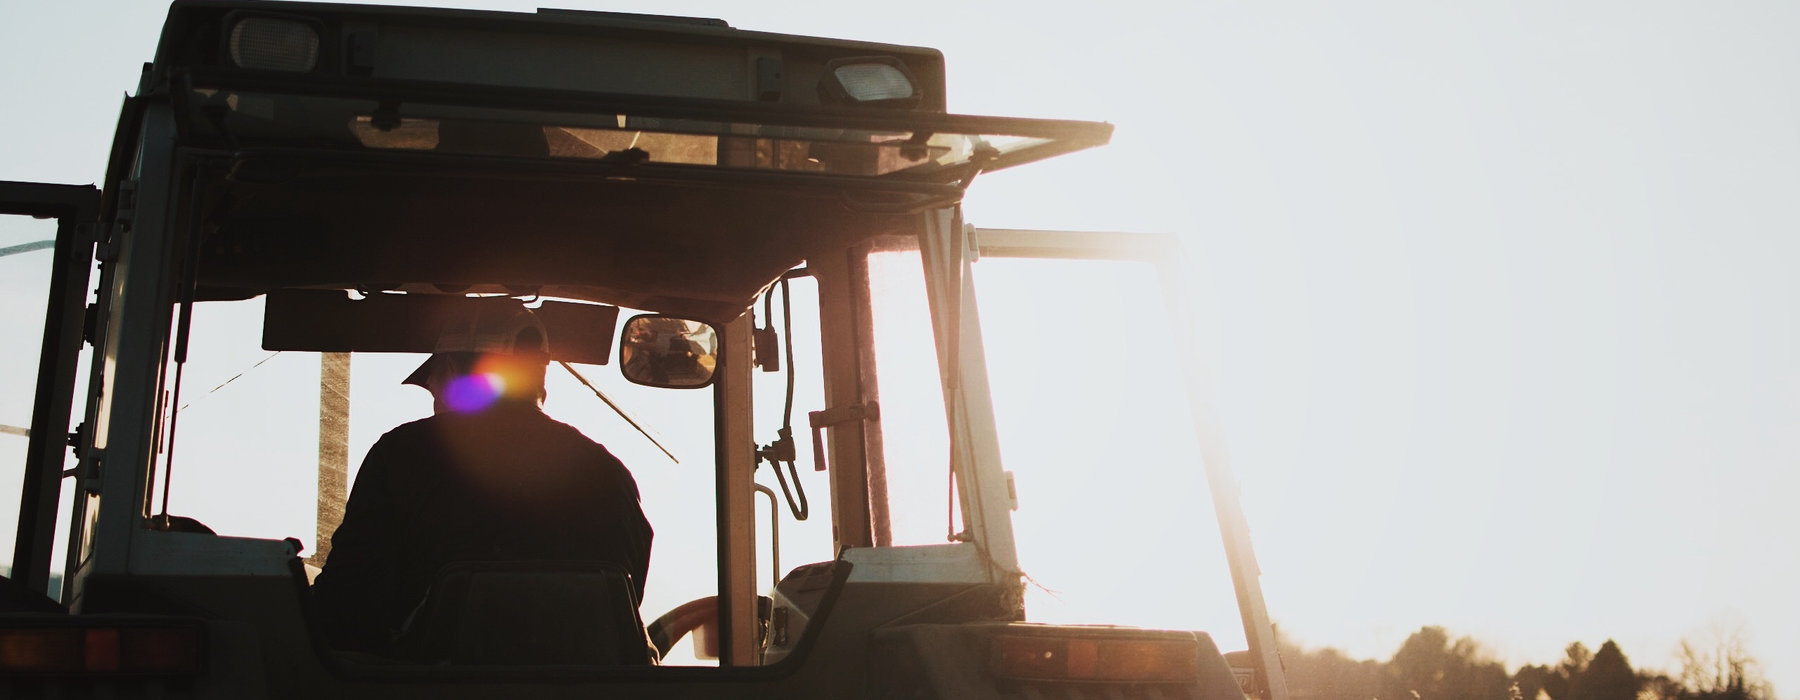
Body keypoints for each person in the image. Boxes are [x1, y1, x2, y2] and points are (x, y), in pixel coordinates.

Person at [310, 305, 653, 655]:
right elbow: (625, 599)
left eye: (433, 388)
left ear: (451, 368)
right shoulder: (607, 471)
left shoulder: (400, 455)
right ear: (540, 377)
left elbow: (346, 601)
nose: (434, 403)